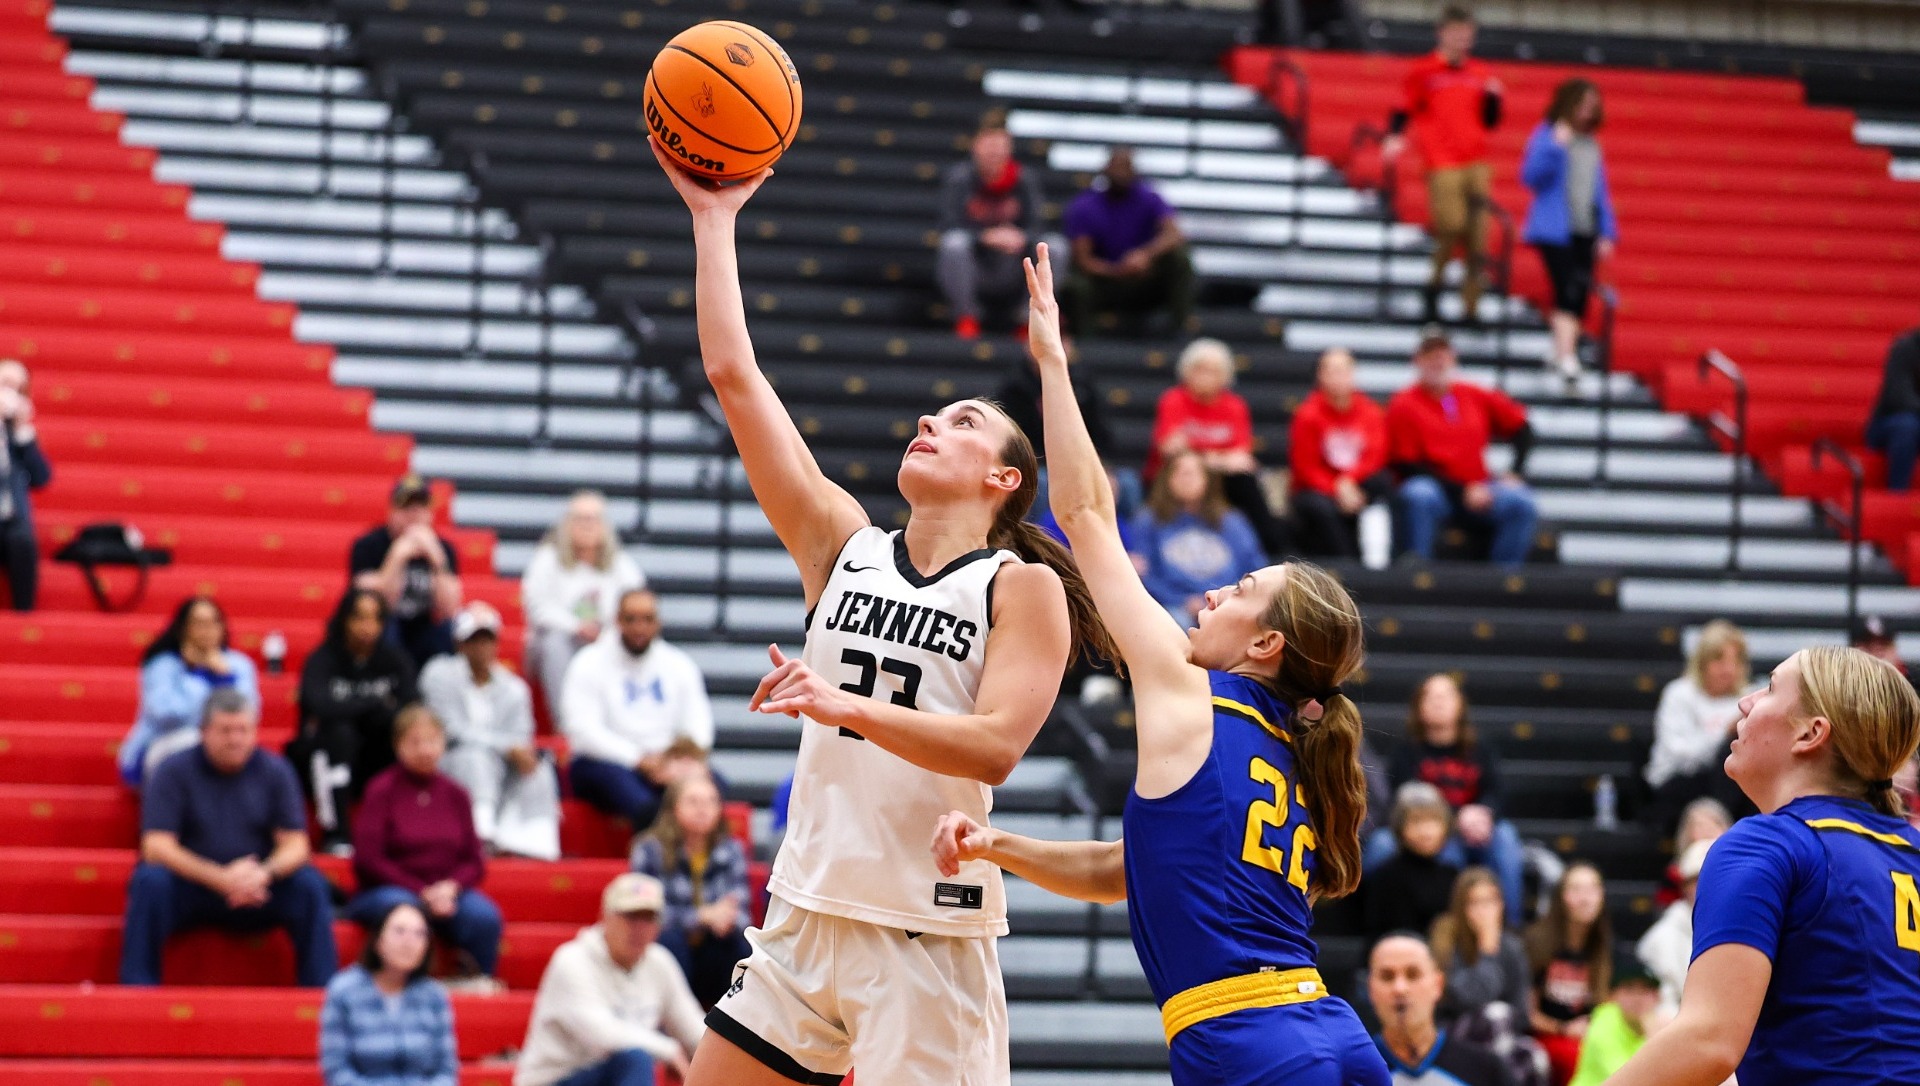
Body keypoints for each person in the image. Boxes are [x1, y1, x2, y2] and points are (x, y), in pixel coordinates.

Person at [651, 146, 1106, 1086]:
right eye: (930, 415)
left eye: (965, 422)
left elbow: (993, 750)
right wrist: (714, 221)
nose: (932, 424)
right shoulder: (841, 543)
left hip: (924, 929)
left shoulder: (1019, 587)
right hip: (806, 907)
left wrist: (841, 704)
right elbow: (735, 378)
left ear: (1004, 480)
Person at [932, 245, 1388, 1085]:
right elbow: (1128, 871)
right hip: (1329, 1032)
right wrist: (996, 845)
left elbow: (1085, 514)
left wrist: (1052, 362)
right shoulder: (1295, 741)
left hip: (1246, 1042)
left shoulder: (1190, 692)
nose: (1212, 593)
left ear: (1266, 646)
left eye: (1241, 590)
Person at [1598, 646, 1920, 1086]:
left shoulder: (1766, 843)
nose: (1744, 703)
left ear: (1811, 734)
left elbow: (1708, 1041)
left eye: (1768, 688)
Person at [120, 688, 338, 986]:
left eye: (243, 730)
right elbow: (156, 846)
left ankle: (321, 993)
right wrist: (219, 878)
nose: (235, 739)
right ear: (204, 731)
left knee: (309, 885)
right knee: (150, 882)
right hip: (194, 886)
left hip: (257, 887)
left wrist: (264, 873)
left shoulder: (276, 771)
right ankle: (137, 990)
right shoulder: (173, 770)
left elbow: (296, 844)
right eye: (225, 731)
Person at [349, 705, 504, 980]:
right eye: (415, 742)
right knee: (403, 910)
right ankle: (394, 985)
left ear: (443, 744)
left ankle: (476, 984)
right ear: (398, 746)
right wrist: (421, 891)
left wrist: (451, 888)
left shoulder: (457, 794)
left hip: (447, 892)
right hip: (391, 889)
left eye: (432, 741)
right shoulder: (381, 790)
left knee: (484, 917)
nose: (424, 750)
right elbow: (369, 859)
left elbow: (474, 860)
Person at [515, 873, 705, 1086]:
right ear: (605, 916)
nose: (639, 928)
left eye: (648, 918)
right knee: (635, 1059)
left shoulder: (660, 963)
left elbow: (695, 1030)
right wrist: (669, 1049)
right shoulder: (571, 960)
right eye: (631, 916)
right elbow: (602, 1035)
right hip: (557, 1079)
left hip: (608, 1076)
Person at [1382, 5, 1504, 326]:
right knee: (1450, 227)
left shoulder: (1480, 73)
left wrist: (1494, 99)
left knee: (1479, 237)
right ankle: (1433, 287)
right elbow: (1403, 106)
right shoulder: (1425, 71)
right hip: (1442, 162)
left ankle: (1471, 306)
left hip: (1475, 161)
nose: (1462, 38)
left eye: (1467, 33)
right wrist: (1394, 136)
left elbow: (1490, 122)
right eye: (1456, 31)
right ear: (1442, 33)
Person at [1371, 673, 1527, 921]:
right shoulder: (1406, 752)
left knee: (1506, 838)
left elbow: (1496, 792)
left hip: (1477, 829)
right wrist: (1455, 819)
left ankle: (1509, 928)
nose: (1438, 703)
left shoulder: (1481, 748)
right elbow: (1401, 802)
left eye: (1445, 696)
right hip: (1429, 830)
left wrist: (1485, 813)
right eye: (1430, 697)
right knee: (1436, 851)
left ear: (1460, 705)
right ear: (1418, 708)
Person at [562, 588, 715, 832]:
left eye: (647, 619)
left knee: (713, 783)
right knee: (640, 801)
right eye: (631, 619)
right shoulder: (588, 662)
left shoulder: (679, 664)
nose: (639, 628)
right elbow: (582, 731)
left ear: (658, 623)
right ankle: (659, 862)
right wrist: (637, 759)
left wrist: (678, 760)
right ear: (617, 621)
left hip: (665, 761)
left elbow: (698, 723)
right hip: (608, 763)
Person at [1387, 325, 1538, 566]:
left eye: (1442, 353)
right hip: (1439, 492)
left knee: (1521, 502)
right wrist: (1463, 491)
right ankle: (1418, 573)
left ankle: (1505, 581)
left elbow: (1523, 428)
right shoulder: (1403, 403)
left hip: (1480, 487)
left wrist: (1515, 471)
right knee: (1418, 493)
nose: (1437, 360)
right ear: (1417, 360)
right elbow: (1407, 464)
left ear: (1453, 357)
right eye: (1430, 354)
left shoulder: (1474, 394)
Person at [421, 602, 561, 860]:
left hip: (501, 766)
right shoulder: (439, 673)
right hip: (449, 762)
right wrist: (505, 747)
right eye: (473, 640)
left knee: (537, 768)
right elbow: (449, 730)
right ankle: (480, 834)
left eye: (487, 639)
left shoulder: (514, 688)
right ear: (459, 643)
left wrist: (517, 752)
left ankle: (530, 843)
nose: (481, 647)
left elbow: (521, 735)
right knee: (473, 757)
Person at [291, 588, 419, 853]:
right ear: (344, 620)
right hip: (327, 757)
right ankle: (336, 832)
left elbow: (409, 710)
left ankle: (401, 833)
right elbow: (319, 706)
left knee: (404, 737)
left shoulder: (395, 660)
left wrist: (351, 708)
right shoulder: (322, 659)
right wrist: (375, 704)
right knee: (339, 735)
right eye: (359, 618)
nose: (367, 627)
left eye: (374, 619)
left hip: (376, 755)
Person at [1148, 337, 1290, 556]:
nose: (1205, 376)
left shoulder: (1234, 406)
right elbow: (1170, 449)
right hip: (1174, 474)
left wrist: (1199, 454)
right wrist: (1218, 458)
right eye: (1200, 369)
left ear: (1225, 375)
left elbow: (1242, 458)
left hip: (1220, 480)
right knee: (1188, 471)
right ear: (1187, 371)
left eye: (1213, 371)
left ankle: (1270, 549)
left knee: (1246, 481)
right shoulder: (1173, 400)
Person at [1520, 79, 1618, 392]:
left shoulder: (1591, 144)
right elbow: (1531, 177)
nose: (1588, 111)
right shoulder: (1548, 135)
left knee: (1579, 295)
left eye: (1592, 105)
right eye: (1582, 104)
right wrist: (1554, 148)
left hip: (1584, 228)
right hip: (1554, 229)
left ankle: (1560, 350)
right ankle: (1568, 357)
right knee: (1567, 289)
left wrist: (1607, 231)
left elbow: (1599, 191)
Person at [522, 490, 646, 721]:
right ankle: (567, 721)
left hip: (606, 639)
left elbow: (637, 605)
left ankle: (622, 720)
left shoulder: (622, 565)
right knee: (554, 644)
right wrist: (575, 626)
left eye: (594, 519)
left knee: (631, 641)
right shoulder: (547, 559)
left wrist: (606, 632)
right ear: (567, 524)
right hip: (560, 640)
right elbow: (536, 607)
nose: (587, 525)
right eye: (580, 519)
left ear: (605, 525)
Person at [630, 773, 752, 1008]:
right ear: (673, 807)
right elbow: (647, 914)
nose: (703, 809)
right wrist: (701, 917)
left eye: (711, 802)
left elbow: (742, 915)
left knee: (739, 947)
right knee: (671, 942)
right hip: (669, 950)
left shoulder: (732, 850)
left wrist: (725, 920)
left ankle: (734, 1029)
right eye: (693, 802)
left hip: (712, 949)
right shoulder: (649, 849)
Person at [119, 596, 262, 786]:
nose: (207, 630)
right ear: (183, 628)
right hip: (163, 743)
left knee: (237, 750)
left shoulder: (238, 664)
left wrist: (223, 677)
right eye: (199, 623)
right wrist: (199, 675)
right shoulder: (163, 664)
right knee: (196, 744)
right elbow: (164, 714)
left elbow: (249, 713)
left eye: (213, 622)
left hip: (223, 743)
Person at [319, 900, 458, 1086]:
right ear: (378, 940)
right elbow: (337, 1071)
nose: (409, 942)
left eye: (419, 934)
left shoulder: (434, 996)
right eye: (399, 931)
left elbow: (446, 1072)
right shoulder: (344, 991)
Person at [1061, 146, 1194, 336]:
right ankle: (1084, 343)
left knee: (1179, 257)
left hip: (1144, 279)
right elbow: (1083, 260)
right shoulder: (1085, 206)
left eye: (1126, 167)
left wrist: (1144, 255)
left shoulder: (1149, 198)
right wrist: (1118, 270)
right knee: (1075, 287)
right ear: (1105, 170)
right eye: (1116, 167)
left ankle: (1180, 331)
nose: (1120, 174)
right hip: (1105, 282)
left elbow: (1174, 234)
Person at [937, 118, 1050, 340]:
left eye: (1000, 147)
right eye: (989, 146)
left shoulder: (1024, 180)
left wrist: (1019, 236)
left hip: (1015, 264)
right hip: (975, 264)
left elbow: (1037, 225)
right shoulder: (959, 179)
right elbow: (948, 225)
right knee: (953, 244)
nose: (994, 153)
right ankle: (966, 316)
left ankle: (1029, 319)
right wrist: (985, 236)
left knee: (1053, 247)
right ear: (975, 147)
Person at [1131, 450, 1267, 628]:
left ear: (1207, 480)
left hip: (1226, 604)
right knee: (1172, 623)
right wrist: (1182, 601)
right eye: (1179, 473)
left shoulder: (1232, 522)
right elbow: (1142, 573)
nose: (1186, 479)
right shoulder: (1147, 521)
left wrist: (1223, 599)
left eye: (1193, 473)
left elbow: (1254, 569)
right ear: (1167, 479)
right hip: (1172, 607)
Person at [1644, 621, 1750, 834]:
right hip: (1678, 781)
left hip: (1729, 780)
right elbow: (1679, 753)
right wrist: (1725, 733)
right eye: (1719, 660)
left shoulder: (1747, 697)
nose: (1728, 669)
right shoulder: (1678, 694)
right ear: (1702, 662)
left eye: (1735, 661)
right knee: (1728, 752)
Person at [1290, 347, 1393, 562]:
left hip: (1356, 484)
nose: (1338, 378)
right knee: (1320, 507)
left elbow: (1376, 456)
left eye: (1344, 371)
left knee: (1384, 481)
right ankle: (1350, 563)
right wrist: (1336, 487)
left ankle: (1387, 558)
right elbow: (1305, 467)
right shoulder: (1307, 414)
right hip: (1320, 489)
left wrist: (1348, 481)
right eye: (1332, 371)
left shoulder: (1369, 410)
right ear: (1320, 376)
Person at [1369, 933, 1512, 1086]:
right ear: (1370, 988)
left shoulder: (1487, 1069)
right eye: (1387, 977)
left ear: (1438, 985)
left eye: (1413, 975)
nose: (1400, 988)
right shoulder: (1349, 1070)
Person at [350, 474, 462, 669]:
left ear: (430, 513)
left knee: (449, 631)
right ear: (392, 512)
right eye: (407, 507)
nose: (414, 514)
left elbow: (449, 609)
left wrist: (437, 560)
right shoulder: (368, 546)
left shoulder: (443, 549)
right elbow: (377, 603)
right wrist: (397, 556)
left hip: (423, 629)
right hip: (383, 626)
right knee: (385, 627)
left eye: (421, 508)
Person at [1523, 862, 1612, 1084]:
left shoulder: (1604, 946)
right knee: (1576, 1056)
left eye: (1593, 889)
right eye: (1576, 890)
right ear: (1560, 898)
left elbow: (1605, 1005)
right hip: (1544, 1036)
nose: (1586, 898)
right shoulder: (1536, 942)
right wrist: (1563, 1028)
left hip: (1587, 1036)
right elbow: (1526, 1012)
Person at [1364, 782, 1461, 943]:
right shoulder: (1387, 876)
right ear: (1401, 828)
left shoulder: (1452, 874)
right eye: (1416, 822)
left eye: (1433, 821)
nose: (1426, 832)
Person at [1430, 866, 1531, 1018]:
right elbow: (1468, 999)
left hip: (1500, 1033)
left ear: (1501, 905)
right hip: (1454, 1031)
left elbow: (1521, 1012)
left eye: (1491, 901)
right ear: (1460, 909)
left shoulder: (1512, 947)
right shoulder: (1445, 941)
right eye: (1474, 902)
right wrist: (1487, 951)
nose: (1484, 910)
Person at [1635, 839, 1708, 1013]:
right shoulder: (1661, 936)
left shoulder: (1746, 925)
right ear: (1685, 886)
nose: (1708, 885)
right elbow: (1659, 1003)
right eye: (1697, 880)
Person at [0, 358, 50, 611]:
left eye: (18, 389)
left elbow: (41, 478)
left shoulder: (18, 435)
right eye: (5, 384)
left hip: (10, 521)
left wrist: (22, 434)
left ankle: (24, 614)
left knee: (23, 540)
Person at [1566, 961, 1663, 1086]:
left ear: (1658, 998)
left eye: (1645, 991)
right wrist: (1654, 1039)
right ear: (1613, 995)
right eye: (1630, 989)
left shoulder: (1660, 1025)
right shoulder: (1604, 1021)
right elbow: (1627, 1079)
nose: (1637, 998)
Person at [1865, 327, 1920, 492]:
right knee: (1907, 425)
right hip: (1889, 423)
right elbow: (1900, 397)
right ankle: (1897, 495)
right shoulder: (1905, 348)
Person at [1653, 797, 1729, 908]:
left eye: (1714, 824)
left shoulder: (1740, 865)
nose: (1707, 831)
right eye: (1700, 825)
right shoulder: (1675, 871)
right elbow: (1664, 903)